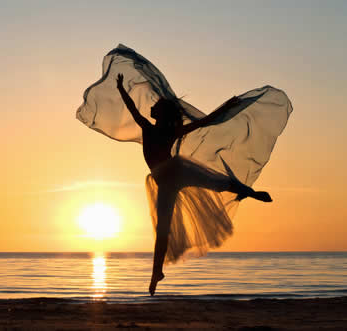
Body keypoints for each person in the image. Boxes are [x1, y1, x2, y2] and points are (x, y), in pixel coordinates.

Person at [115, 73, 272, 296]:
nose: (152, 107)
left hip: (173, 172)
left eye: (156, 106)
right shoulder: (156, 128)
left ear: (161, 113)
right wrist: (121, 89)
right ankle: (156, 273)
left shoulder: (154, 128)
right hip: (167, 178)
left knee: (214, 184)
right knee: (167, 225)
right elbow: (202, 122)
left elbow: (204, 122)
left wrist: (227, 106)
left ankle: (252, 193)